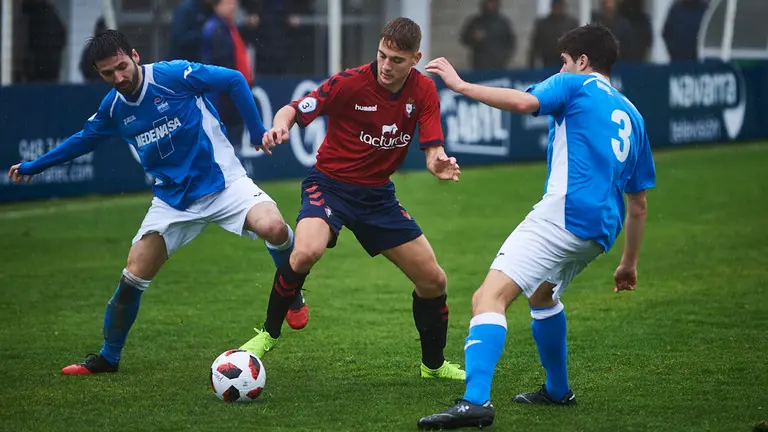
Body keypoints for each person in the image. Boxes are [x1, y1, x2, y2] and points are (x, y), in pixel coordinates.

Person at [6, 30, 307, 375]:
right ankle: (108, 357)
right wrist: (34, 166)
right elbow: (82, 141)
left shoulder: (171, 75)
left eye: (121, 66)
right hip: (172, 201)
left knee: (274, 227)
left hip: (224, 183)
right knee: (132, 276)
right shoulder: (114, 109)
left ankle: (293, 291)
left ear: (134, 55)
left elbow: (234, 79)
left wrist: (256, 132)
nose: (118, 77)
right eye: (108, 73)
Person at [418, 23, 656, 429]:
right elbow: (639, 204)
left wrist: (461, 86)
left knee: (487, 298)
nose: (560, 70)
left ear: (581, 62)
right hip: (603, 228)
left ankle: (475, 402)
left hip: (564, 212)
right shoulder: (632, 114)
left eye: (563, 62)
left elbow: (524, 103)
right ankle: (558, 391)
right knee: (543, 296)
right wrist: (628, 264)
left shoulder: (577, 84)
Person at [240, 17, 465, 380]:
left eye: (397, 60)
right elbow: (294, 109)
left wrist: (437, 162)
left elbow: (432, 148)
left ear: (415, 58)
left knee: (433, 281)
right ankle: (267, 335)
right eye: (382, 56)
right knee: (306, 250)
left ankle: (433, 366)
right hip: (329, 185)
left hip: (378, 197)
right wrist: (281, 126)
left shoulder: (423, 90)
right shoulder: (350, 83)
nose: (386, 66)